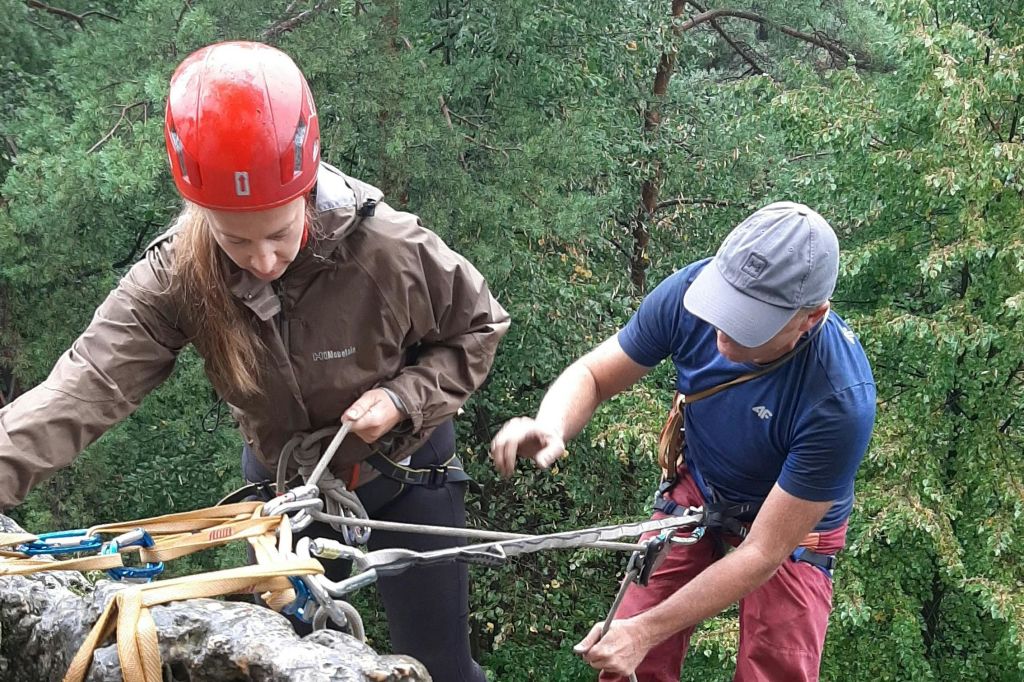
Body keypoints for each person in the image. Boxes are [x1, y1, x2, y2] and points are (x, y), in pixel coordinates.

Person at [0, 41, 508, 682]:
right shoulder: (178, 275)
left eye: (279, 234)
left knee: (440, 669)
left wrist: (407, 396)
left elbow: (480, 325)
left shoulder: (388, 249)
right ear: (198, 213)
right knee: (272, 661)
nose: (264, 261)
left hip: (406, 478)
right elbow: (86, 386)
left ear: (307, 191)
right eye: (235, 239)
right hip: (283, 490)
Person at [490, 202, 875, 681]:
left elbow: (761, 552)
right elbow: (594, 374)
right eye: (726, 304)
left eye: (749, 320)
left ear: (810, 318)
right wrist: (551, 424)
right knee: (626, 652)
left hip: (790, 526)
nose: (722, 330)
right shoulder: (690, 292)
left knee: (775, 668)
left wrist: (645, 631)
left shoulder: (838, 399)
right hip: (702, 485)